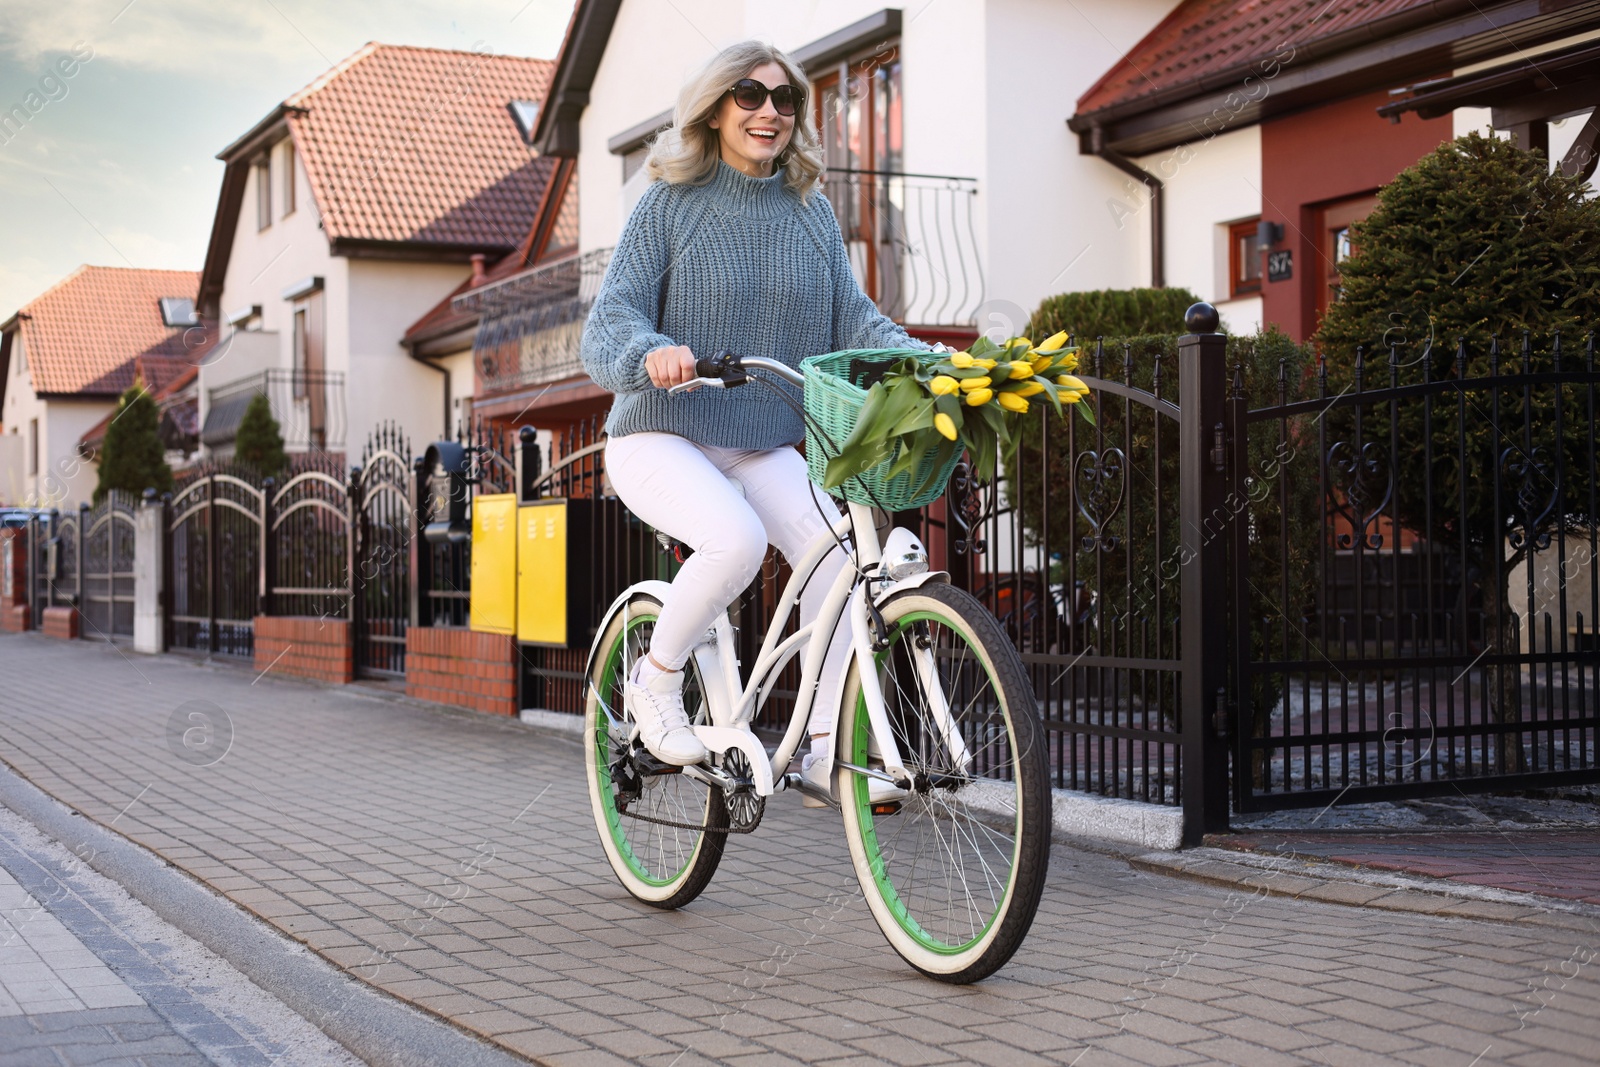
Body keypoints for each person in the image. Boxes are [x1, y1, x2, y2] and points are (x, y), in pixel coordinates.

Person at [579, 40, 926, 800]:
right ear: (715, 107)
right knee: (733, 538)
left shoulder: (810, 211)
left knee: (838, 560)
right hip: (659, 431)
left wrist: (925, 360)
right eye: (749, 94)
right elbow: (609, 321)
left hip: (758, 439)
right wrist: (653, 351)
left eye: (785, 99)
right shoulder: (672, 202)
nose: (769, 111)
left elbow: (855, 318)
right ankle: (654, 680)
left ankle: (827, 746)